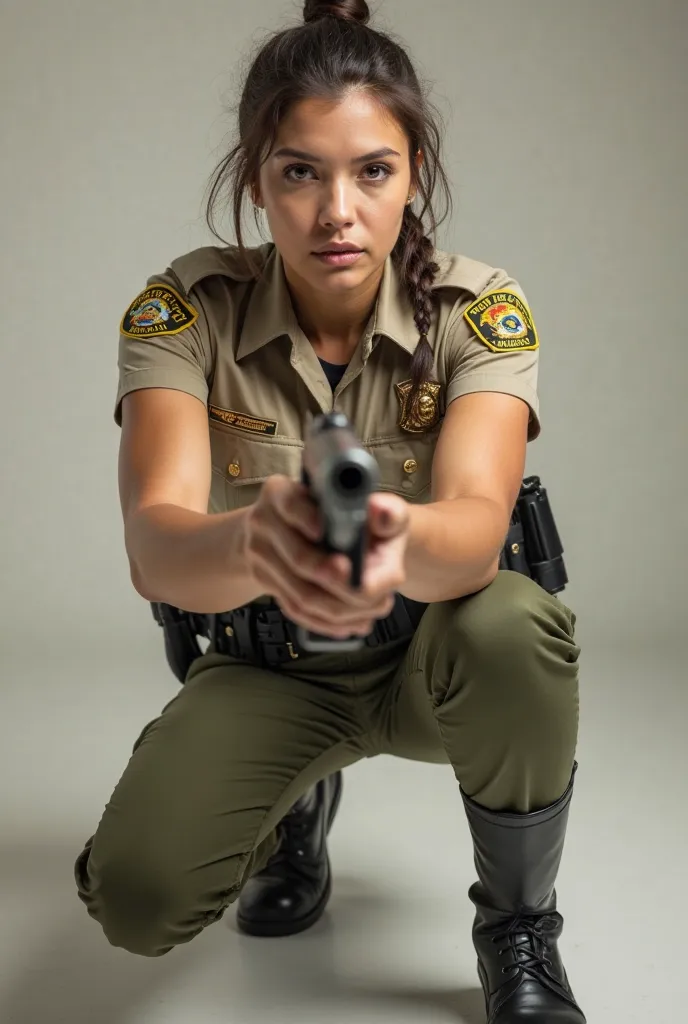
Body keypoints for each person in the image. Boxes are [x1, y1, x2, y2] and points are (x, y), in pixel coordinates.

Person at [74, 1, 586, 1021]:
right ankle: (292, 807)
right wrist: (255, 539)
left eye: (372, 170)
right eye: (300, 171)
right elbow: (156, 546)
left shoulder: (478, 310)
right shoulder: (183, 312)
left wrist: (388, 536)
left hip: (432, 665)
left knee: (518, 627)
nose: (335, 211)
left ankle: (518, 926)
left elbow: (479, 529)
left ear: (414, 176)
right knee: (135, 897)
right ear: (257, 178)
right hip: (273, 669)